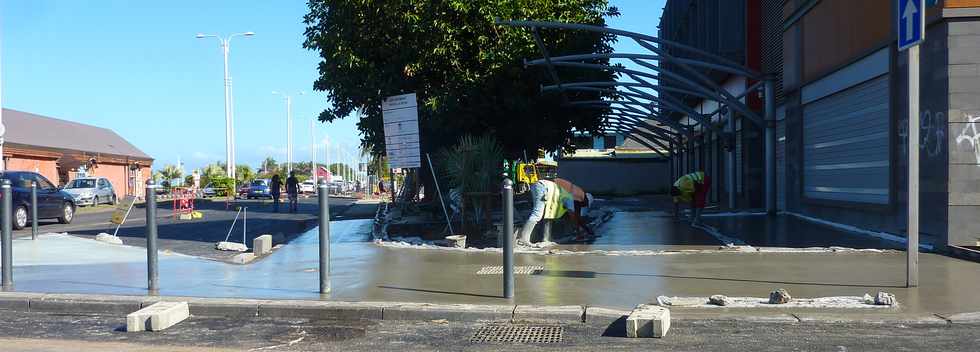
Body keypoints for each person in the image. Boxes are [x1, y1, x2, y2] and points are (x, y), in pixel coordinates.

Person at [517, 179, 575, 246]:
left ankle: (546, 239)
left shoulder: (564, 195)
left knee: (548, 215)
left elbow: (550, 215)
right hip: (543, 187)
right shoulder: (569, 198)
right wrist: (576, 228)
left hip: (542, 187)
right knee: (537, 213)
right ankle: (523, 239)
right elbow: (572, 213)